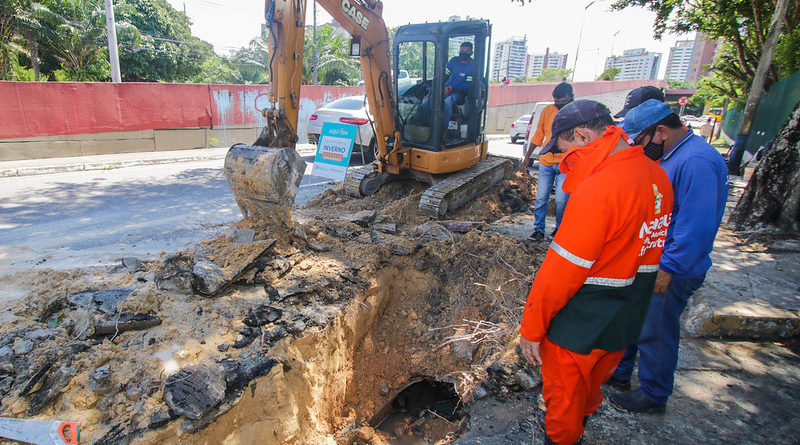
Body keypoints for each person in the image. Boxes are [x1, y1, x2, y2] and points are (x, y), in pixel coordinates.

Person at [519, 100, 674, 445]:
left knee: (562, 404)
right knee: (588, 392)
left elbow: (562, 271)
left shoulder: (601, 188)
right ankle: (579, 430)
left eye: (566, 153)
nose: (566, 165)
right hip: (623, 321)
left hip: (582, 324)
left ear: (582, 135)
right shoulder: (656, 177)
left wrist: (532, 328)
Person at [606, 99, 729, 414]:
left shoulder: (696, 161)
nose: (638, 147)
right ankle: (618, 375)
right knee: (634, 319)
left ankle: (653, 395)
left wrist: (668, 268)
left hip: (672, 269)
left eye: (640, 140)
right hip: (651, 262)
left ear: (660, 131)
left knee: (655, 330)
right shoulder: (674, 155)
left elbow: (696, 225)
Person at [521, 82, 574, 241]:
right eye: (556, 101)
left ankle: (559, 229)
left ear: (570, 97)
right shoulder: (547, 111)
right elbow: (538, 135)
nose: (558, 104)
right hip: (546, 162)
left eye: (562, 101)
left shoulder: (576, 113)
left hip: (567, 163)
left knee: (561, 199)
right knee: (541, 198)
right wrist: (528, 156)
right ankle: (538, 230)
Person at [421, 42, 474, 136]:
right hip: (445, 89)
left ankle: (442, 129)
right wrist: (433, 92)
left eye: (466, 51)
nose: (463, 52)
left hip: (459, 93)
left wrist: (452, 88)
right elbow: (443, 76)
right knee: (425, 102)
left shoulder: (472, 66)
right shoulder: (454, 61)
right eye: (462, 50)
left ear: (471, 52)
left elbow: (468, 85)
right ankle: (430, 125)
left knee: (447, 103)